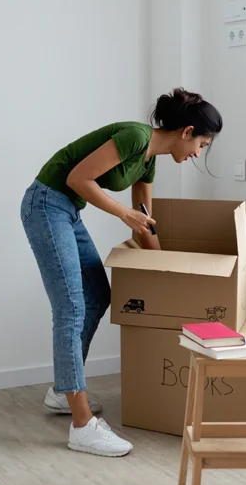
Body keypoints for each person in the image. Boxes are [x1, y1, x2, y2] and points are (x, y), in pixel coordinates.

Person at [21, 88, 223, 457]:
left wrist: (165, 269)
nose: (198, 153)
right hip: (46, 203)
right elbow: (78, 179)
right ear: (187, 132)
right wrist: (123, 213)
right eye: (202, 144)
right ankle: (82, 426)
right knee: (71, 308)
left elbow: (144, 224)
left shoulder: (149, 162)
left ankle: (62, 391)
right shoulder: (135, 136)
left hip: (67, 211)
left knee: (98, 295)